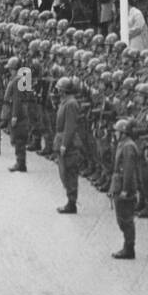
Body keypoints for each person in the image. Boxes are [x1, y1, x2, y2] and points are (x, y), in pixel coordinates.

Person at [110, 117, 140, 259]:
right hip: (119, 183)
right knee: (122, 218)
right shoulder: (123, 144)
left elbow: (128, 169)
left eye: (117, 131)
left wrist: (125, 189)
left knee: (126, 218)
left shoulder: (128, 146)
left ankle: (129, 247)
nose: (115, 133)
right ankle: (128, 245)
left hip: (124, 185)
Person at [54, 77, 83, 215]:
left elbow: (70, 126)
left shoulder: (71, 104)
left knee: (69, 172)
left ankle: (71, 202)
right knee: (64, 172)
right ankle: (70, 200)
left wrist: (65, 144)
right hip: (62, 139)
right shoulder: (66, 102)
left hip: (69, 143)